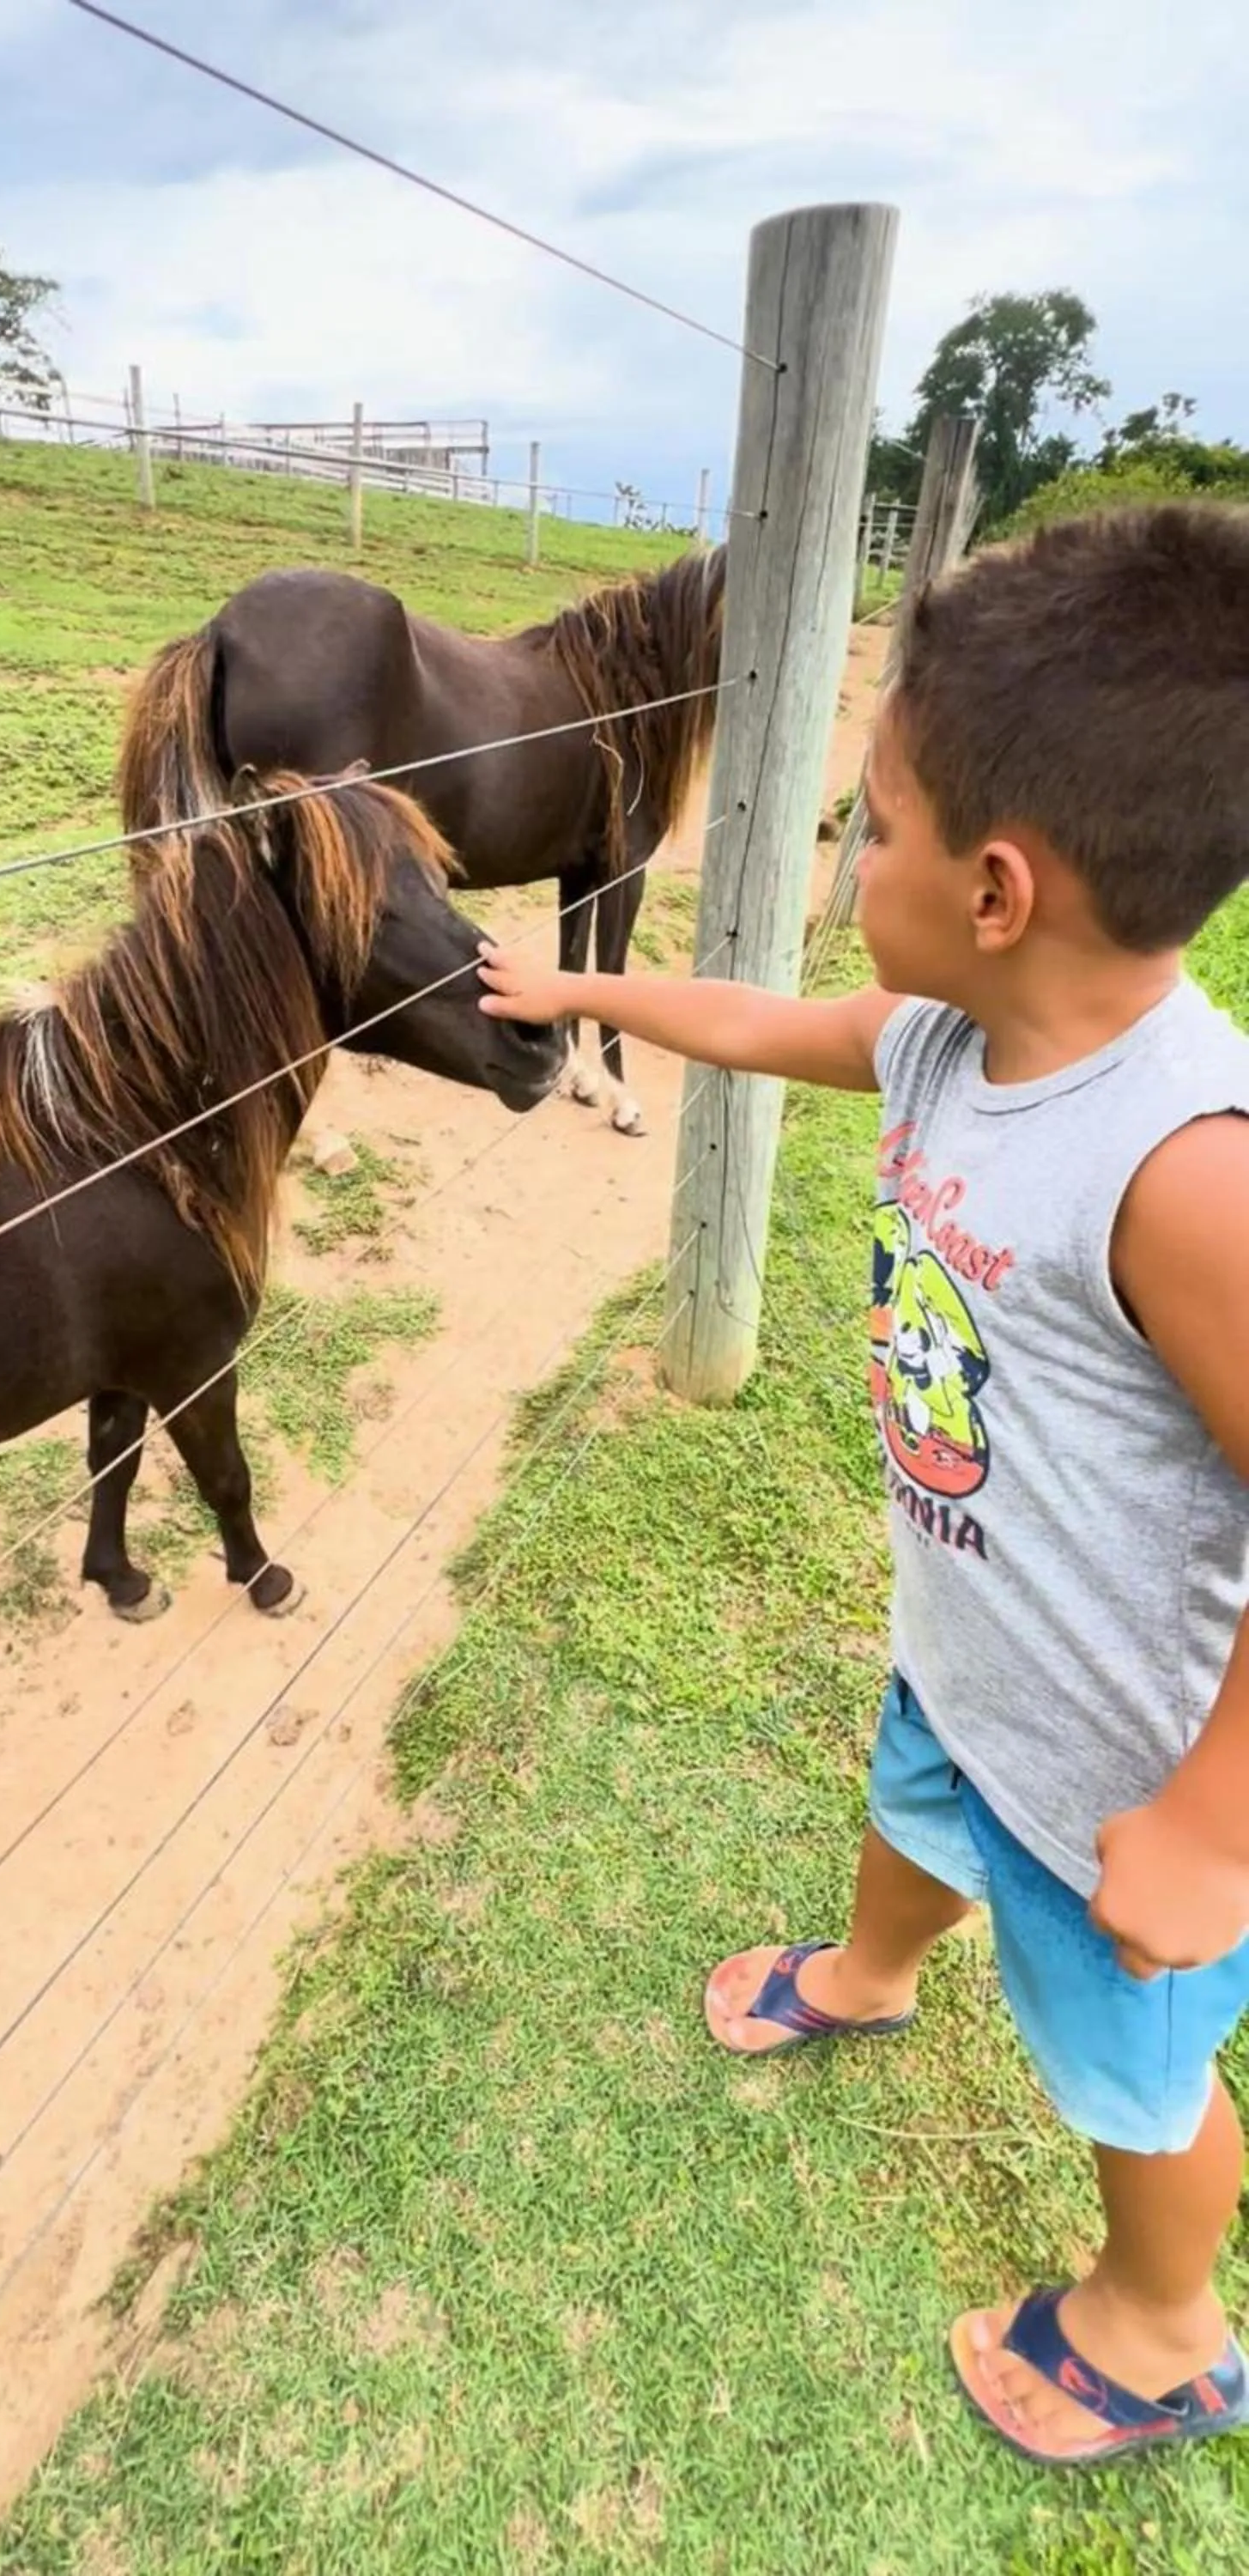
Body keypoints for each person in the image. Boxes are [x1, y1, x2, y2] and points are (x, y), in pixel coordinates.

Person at [477, 505, 1249, 2467]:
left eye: (869, 825)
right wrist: (597, 1002)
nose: (847, 857)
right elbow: (784, 1020)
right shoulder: (947, 1038)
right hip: (969, 1647)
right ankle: (873, 1970)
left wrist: (1211, 1827)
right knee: (909, 1797)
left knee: (1133, 2075)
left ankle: (1157, 2321)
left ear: (994, 887)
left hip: (1118, 1764)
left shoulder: (1185, 1172)